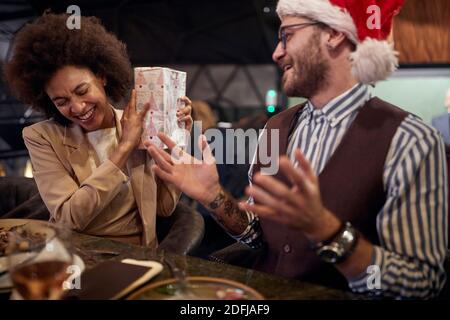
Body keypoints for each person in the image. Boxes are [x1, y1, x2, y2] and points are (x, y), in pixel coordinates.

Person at [146, 0, 448, 299]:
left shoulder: (410, 140)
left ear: (334, 33)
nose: (277, 52)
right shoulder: (276, 127)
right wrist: (212, 195)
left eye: (287, 35)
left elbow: (421, 283)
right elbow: (259, 236)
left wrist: (330, 233)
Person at [3, 13, 193, 248]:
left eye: (82, 91)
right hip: (73, 255)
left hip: (138, 256)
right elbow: (69, 218)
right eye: (61, 102)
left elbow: (164, 207)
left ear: (102, 76)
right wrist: (123, 149)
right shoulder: (41, 137)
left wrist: (179, 137)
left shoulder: (139, 124)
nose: (77, 107)